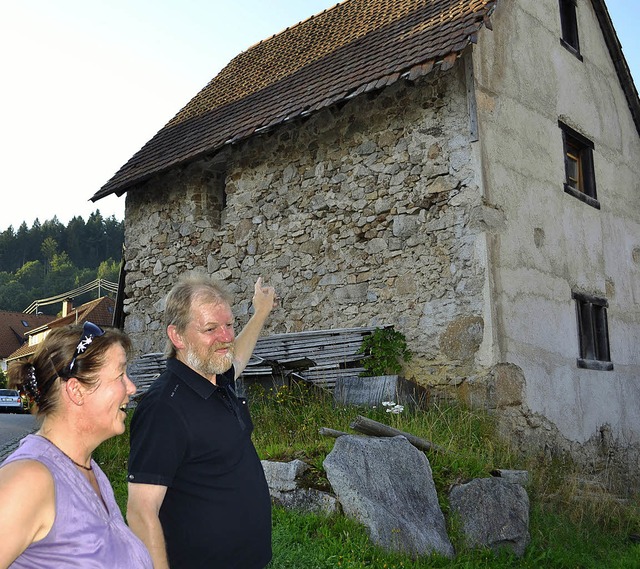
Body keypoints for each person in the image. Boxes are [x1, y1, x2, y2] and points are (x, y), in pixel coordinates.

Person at [127, 275, 277, 569]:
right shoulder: (163, 408)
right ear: (178, 337)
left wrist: (261, 311)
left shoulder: (215, 378)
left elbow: (239, 357)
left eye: (229, 325)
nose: (225, 337)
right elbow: (141, 511)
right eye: (210, 328)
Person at [0, 322, 153, 569]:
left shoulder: (90, 471)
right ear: (77, 390)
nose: (132, 388)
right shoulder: (30, 480)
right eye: (120, 375)